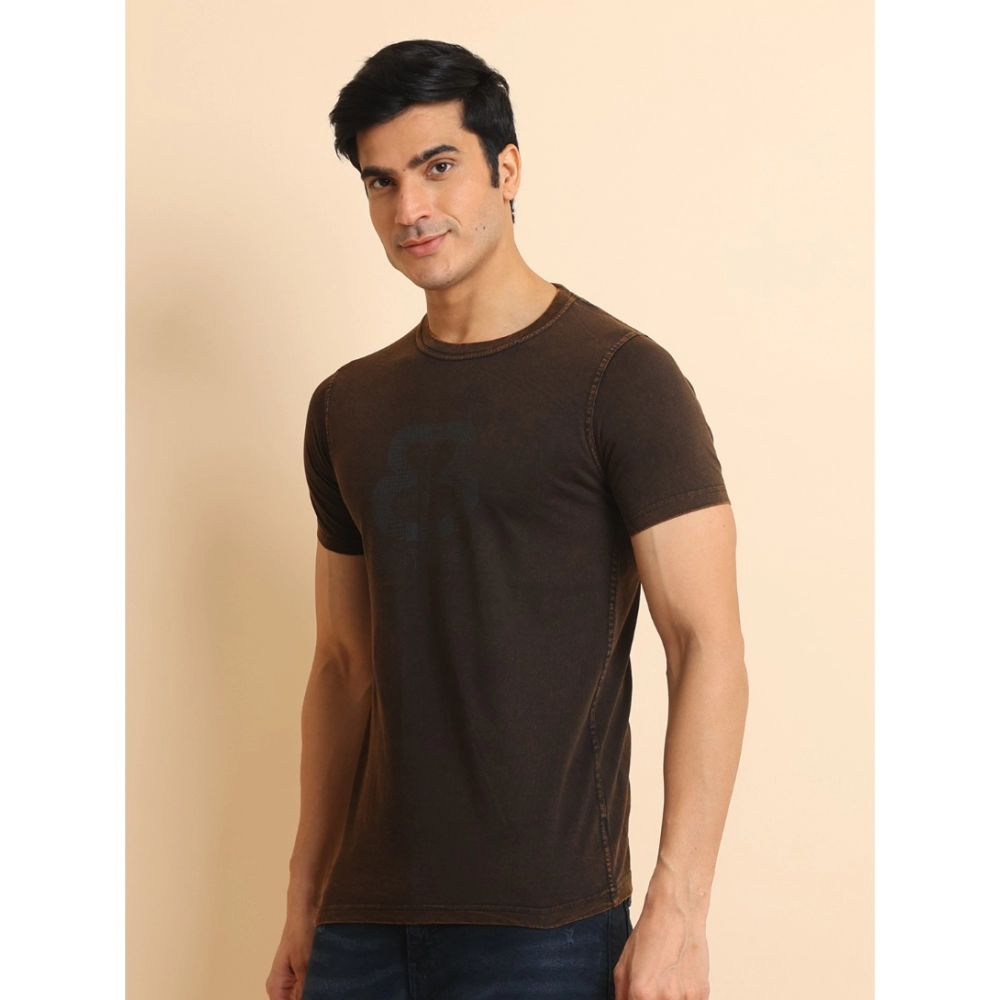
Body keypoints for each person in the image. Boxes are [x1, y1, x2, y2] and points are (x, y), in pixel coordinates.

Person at [266, 38, 749, 1000]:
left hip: (548, 931)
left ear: (508, 168)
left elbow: (706, 645)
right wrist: (305, 896)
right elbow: (343, 666)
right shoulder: (346, 406)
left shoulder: (621, 380)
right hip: (360, 930)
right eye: (380, 181)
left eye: (438, 166)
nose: (410, 208)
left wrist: (681, 908)